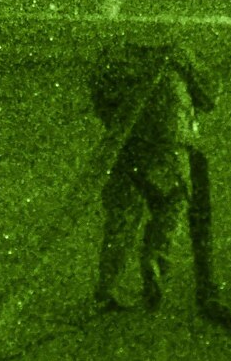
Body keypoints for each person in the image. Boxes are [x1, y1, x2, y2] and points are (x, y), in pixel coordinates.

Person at [90, 39, 214, 312]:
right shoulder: (181, 57)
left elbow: (99, 100)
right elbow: (208, 98)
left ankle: (110, 284)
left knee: (122, 217)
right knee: (171, 203)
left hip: (124, 146)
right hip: (167, 146)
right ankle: (155, 256)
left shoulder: (115, 58)